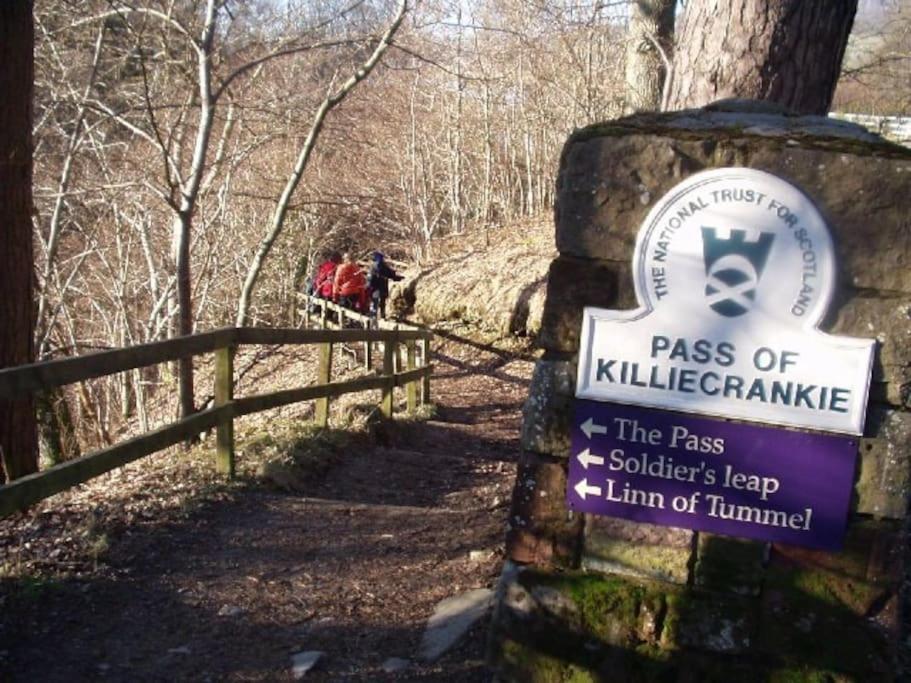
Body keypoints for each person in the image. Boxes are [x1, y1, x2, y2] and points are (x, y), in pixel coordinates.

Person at [368, 251, 404, 319]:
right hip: (383, 288)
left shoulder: (372, 267)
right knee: (382, 303)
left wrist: (369, 287)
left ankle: (373, 317)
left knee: (374, 303)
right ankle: (382, 316)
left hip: (375, 289)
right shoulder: (385, 267)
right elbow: (392, 276)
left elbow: (370, 279)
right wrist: (400, 278)